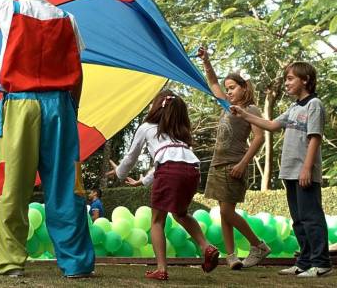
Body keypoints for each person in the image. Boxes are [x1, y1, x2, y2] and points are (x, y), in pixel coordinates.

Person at [0, 0, 94, 278]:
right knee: (66, 184)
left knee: (13, 184)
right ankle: (77, 264)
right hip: (60, 106)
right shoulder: (68, 19)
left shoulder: (10, 9)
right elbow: (77, 69)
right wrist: (72, 109)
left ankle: (9, 262)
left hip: (21, 105)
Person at [231, 62, 332, 278]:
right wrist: (244, 115)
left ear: (305, 80)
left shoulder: (314, 105)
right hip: (290, 171)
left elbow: (315, 138)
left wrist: (307, 168)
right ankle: (304, 262)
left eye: (290, 78)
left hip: (304, 172)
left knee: (311, 217)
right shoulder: (294, 108)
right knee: (297, 219)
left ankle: (321, 263)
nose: (286, 83)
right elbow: (271, 125)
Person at [107, 90, 220, 280]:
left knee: (157, 221)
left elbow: (131, 158)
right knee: (181, 213)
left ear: (156, 106)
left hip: (170, 171)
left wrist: (119, 173)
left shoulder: (147, 127)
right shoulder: (180, 134)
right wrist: (143, 181)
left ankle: (161, 269)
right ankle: (206, 246)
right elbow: (168, 161)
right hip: (192, 171)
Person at [197, 47, 270, 269]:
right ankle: (231, 256)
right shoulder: (226, 106)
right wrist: (206, 61)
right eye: (227, 89)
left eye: (232, 88)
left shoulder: (251, 109)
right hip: (217, 165)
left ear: (244, 88)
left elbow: (259, 138)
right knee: (223, 211)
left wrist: (242, 164)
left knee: (227, 211)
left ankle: (258, 245)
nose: (228, 92)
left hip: (234, 164)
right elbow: (212, 83)